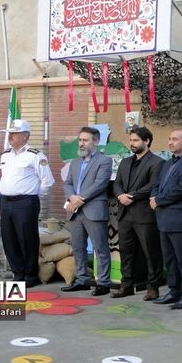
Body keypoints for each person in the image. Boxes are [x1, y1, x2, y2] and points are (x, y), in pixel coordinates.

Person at [150, 129, 182, 310]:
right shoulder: (167, 163)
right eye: (169, 138)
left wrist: (158, 200)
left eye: (174, 139)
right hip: (164, 218)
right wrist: (153, 197)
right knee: (170, 259)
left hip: (181, 219)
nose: (170, 142)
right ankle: (174, 291)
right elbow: (157, 184)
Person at [0, 120, 54, 288]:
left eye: (13, 134)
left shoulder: (35, 155)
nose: (10, 136)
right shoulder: (5, 154)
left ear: (25, 136)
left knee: (27, 239)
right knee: (9, 239)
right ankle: (18, 273)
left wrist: (32, 197)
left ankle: (30, 276)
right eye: (9, 133)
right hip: (6, 202)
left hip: (25, 202)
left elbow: (47, 181)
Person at [112, 127, 164, 301]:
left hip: (145, 215)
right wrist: (120, 195)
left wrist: (131, 197)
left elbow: (153, 186)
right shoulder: (125, 162)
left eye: (135, 140)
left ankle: (153, 287)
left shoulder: (157, 162)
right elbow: (117, 183)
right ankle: (126, 285)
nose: (132, 144)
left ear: (147, 141)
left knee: (151, 253)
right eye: (131, 140)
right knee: (126, 252)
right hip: (124, 214)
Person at [61, 126, 112, 296]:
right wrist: (71, 198)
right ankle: (82, 279)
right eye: (80, 140)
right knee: (78, 247)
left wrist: (79, 199)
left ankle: (103, 282)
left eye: (85, 140)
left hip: (94, 210)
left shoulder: (104, 161)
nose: (81, 143)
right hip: (75, 212)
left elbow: (100, 184)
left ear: (96, 142)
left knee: (100, 247)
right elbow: (67, 183)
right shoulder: (75, 163)